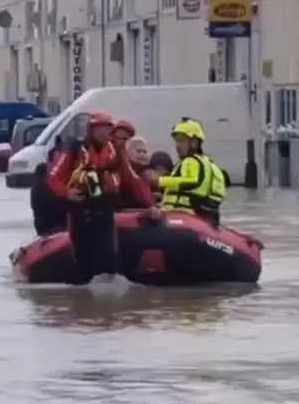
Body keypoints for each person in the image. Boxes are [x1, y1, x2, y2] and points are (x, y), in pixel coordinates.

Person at [46, 112, 154, 283]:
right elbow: (53, 177)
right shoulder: (75, 149)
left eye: (108, 128)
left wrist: (151, 205)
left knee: (108, 260)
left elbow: (133, 180)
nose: (105, 133)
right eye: (101, 128)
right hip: (80, 210)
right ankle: (83, 300)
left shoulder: (116, 152)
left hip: (104, 209)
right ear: (92, 130)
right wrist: (68, 192)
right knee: (82, 263)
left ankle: (106, 302)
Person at [155, 120, 227, 224]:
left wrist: (159, 181)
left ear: (194, 143)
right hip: (195, 216)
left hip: (186, 215)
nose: (177, 145)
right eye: (176, 141)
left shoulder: (191, 161)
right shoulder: (203, 162)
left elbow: (192, 181)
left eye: (181, 141)